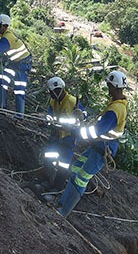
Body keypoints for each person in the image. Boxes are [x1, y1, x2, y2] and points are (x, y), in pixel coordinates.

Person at [57, 70, 129, 218]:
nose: (108, 89)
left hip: (103, 148)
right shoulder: (117, 104)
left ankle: (63, 211)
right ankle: (62, 203)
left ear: (115, 87)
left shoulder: (116, 109)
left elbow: (97, 131)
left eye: (109, 86)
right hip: (98, 146)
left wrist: (78, 133)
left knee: (81, 177)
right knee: (76, 168)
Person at [43, 77, 87, 192]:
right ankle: (46, 181)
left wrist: (81, 114)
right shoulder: (53, 101)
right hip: (56, 134)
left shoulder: (72, 101)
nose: (50, 94)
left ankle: (56, 188)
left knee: (63, 164)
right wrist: (48, 119)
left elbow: (84, 114)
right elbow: (50, 114)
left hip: (69, 137)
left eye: (51, 92)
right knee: (49, 157)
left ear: (58, 90)